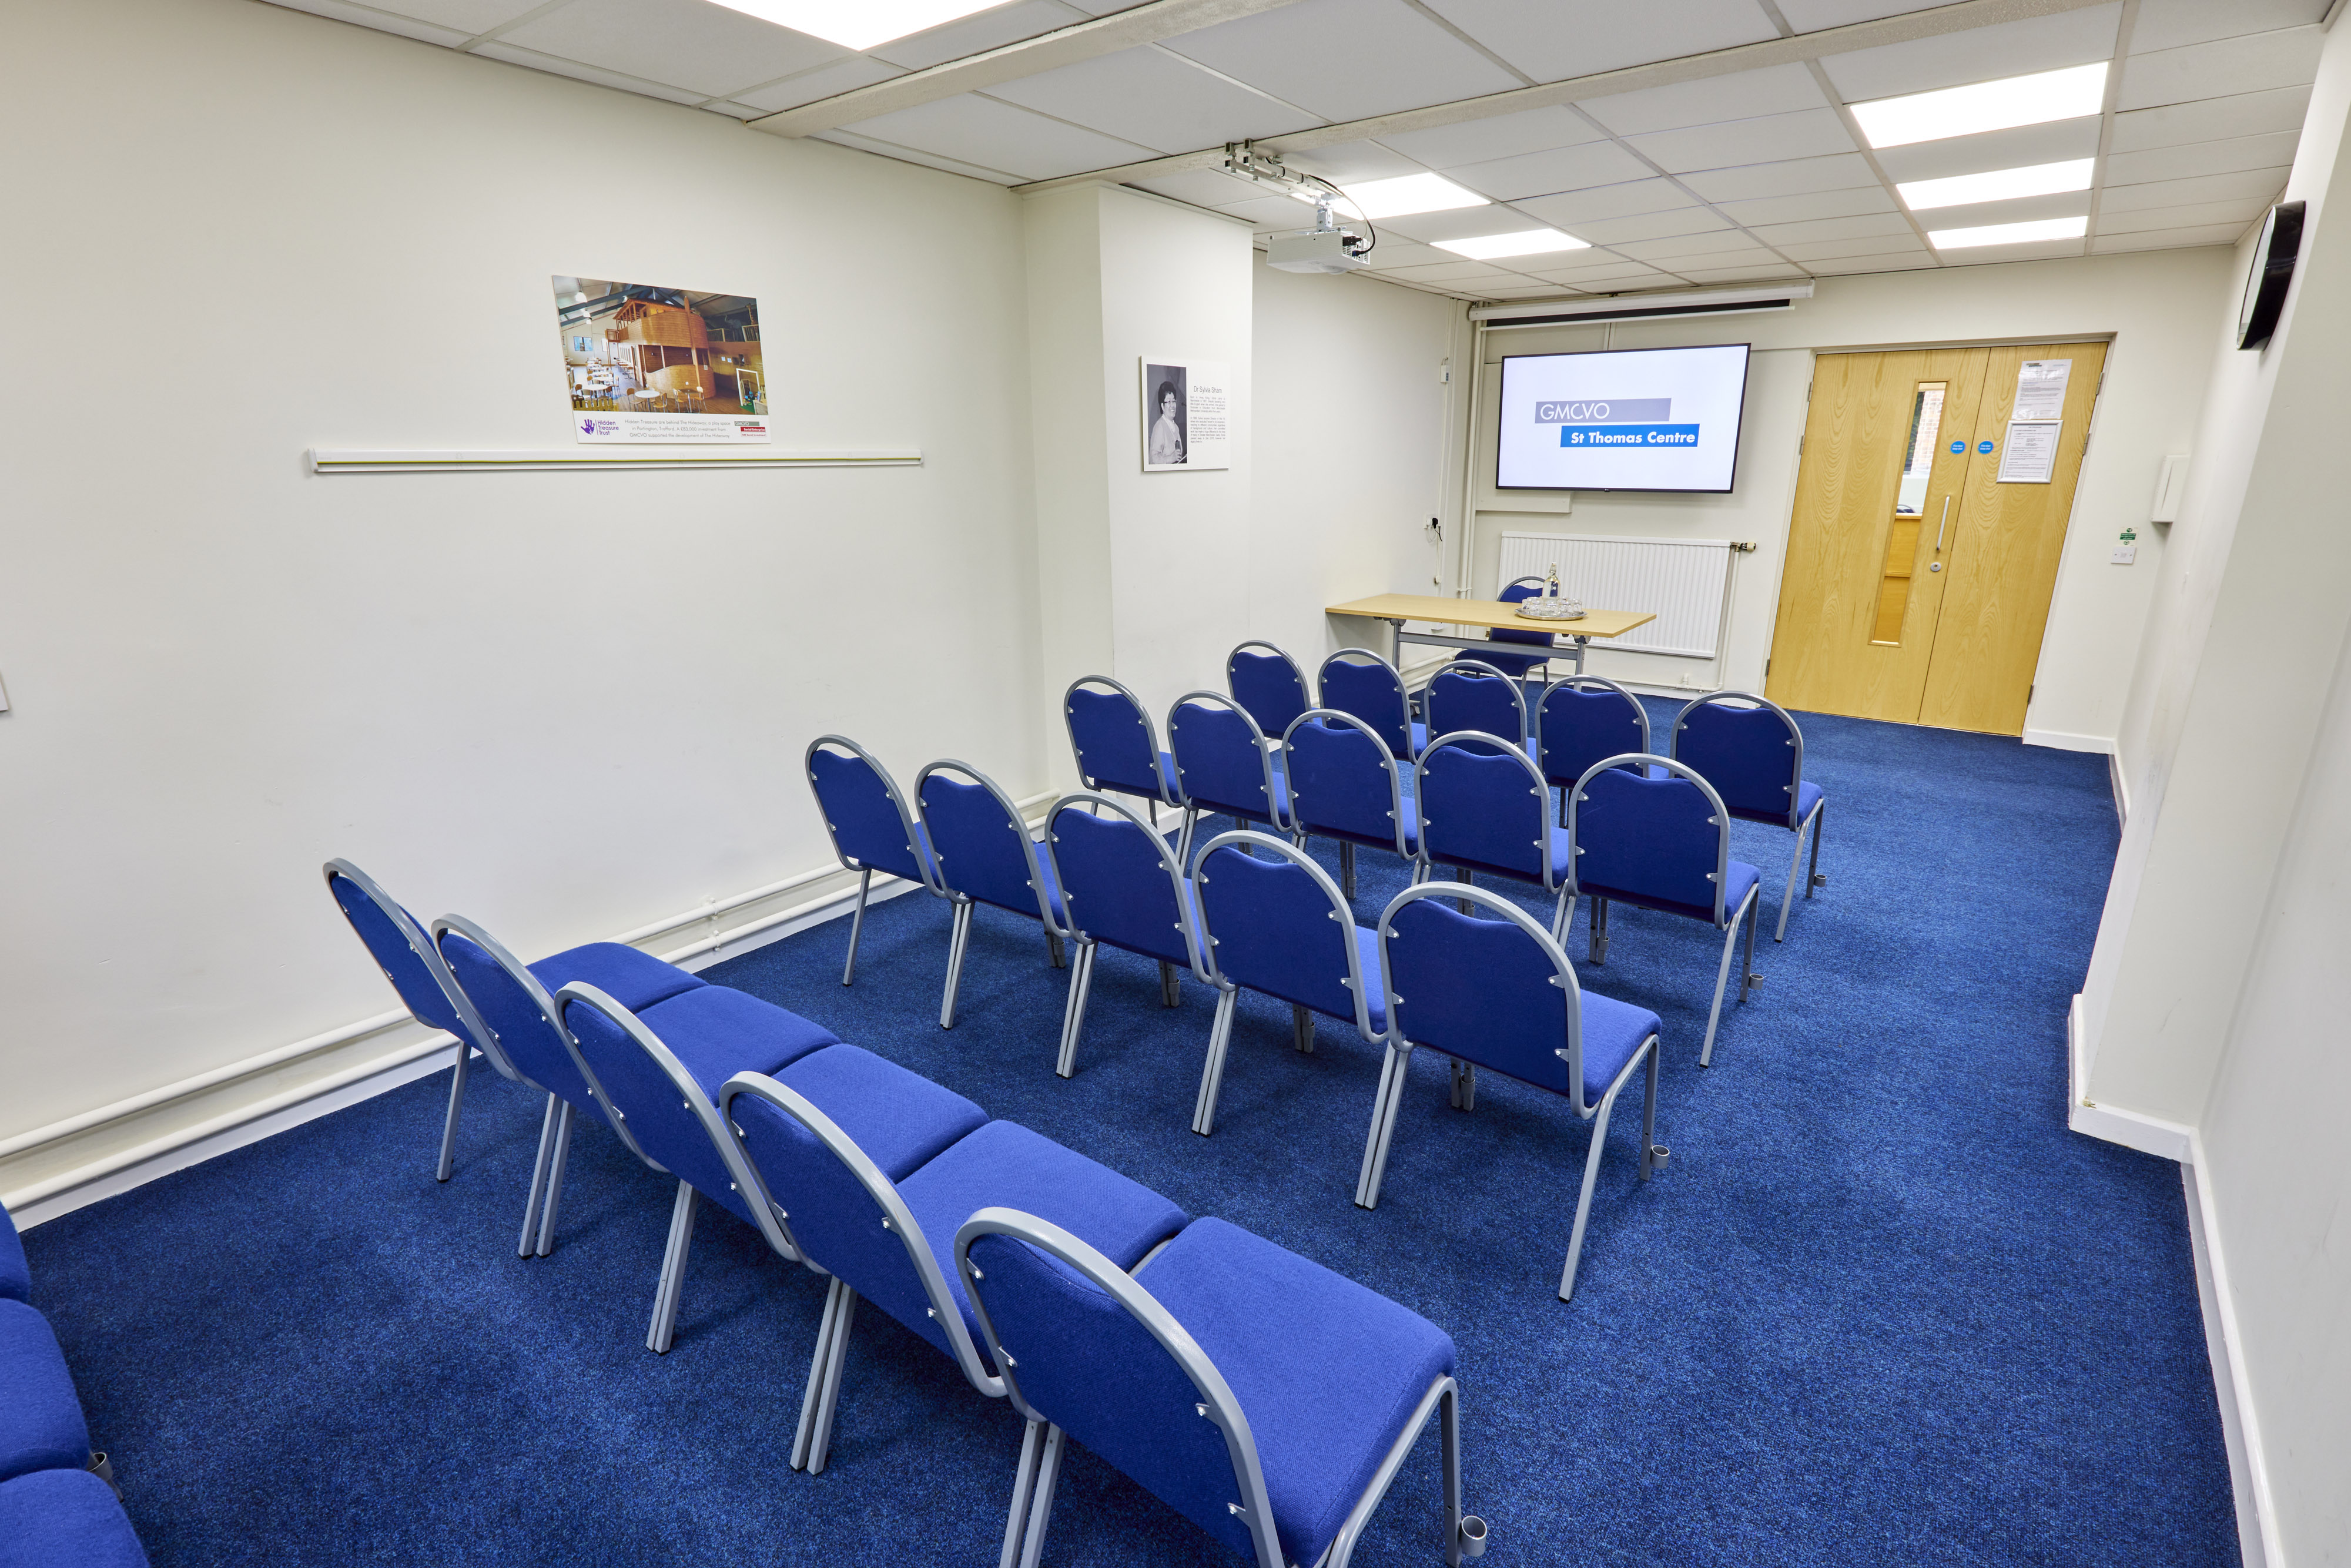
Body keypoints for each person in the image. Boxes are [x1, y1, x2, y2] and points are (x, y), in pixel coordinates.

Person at [1148, 380, 1184, 464]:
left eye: (1174, 401)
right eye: (1169, 402)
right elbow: (1153, 459)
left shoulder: (1176, 428)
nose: (1172, 405)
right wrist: (1171, 458)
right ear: (1162, 406)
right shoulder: (1160, 426)